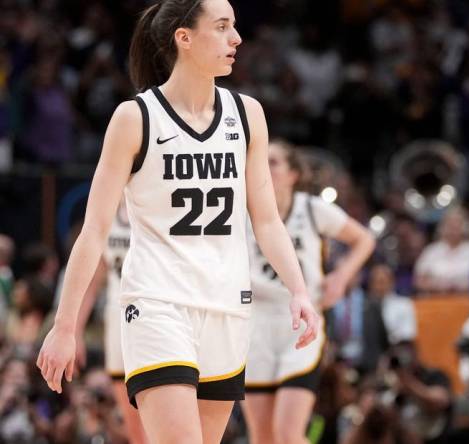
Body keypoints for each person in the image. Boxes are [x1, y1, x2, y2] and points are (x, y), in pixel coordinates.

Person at [35, 1, 319, 443]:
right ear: (183, 38)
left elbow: (266, 220)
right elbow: (94, 229)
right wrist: (65, 324)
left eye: (235, 26)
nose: (236, 39)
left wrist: (298, 289)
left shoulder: (248, 115)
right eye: (223, 27)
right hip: (157, 302)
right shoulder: (135, 117)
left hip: (227, 305)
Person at [242, 140, 375, 444]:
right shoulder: (241, 209)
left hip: (300, 326)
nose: (264, 167)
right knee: (262, 438)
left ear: (294, 174)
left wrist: (340, 276)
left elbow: (364, 239)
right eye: (261, 161)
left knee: (288, 436)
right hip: (254, 325)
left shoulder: (313, 209)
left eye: (273, 162)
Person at [73, 202, 147, 444]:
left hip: (157, 313)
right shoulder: (106, 213)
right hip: (118, 319)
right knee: (131, 417)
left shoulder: (155, 199)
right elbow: (91, 283)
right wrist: (74, 332)